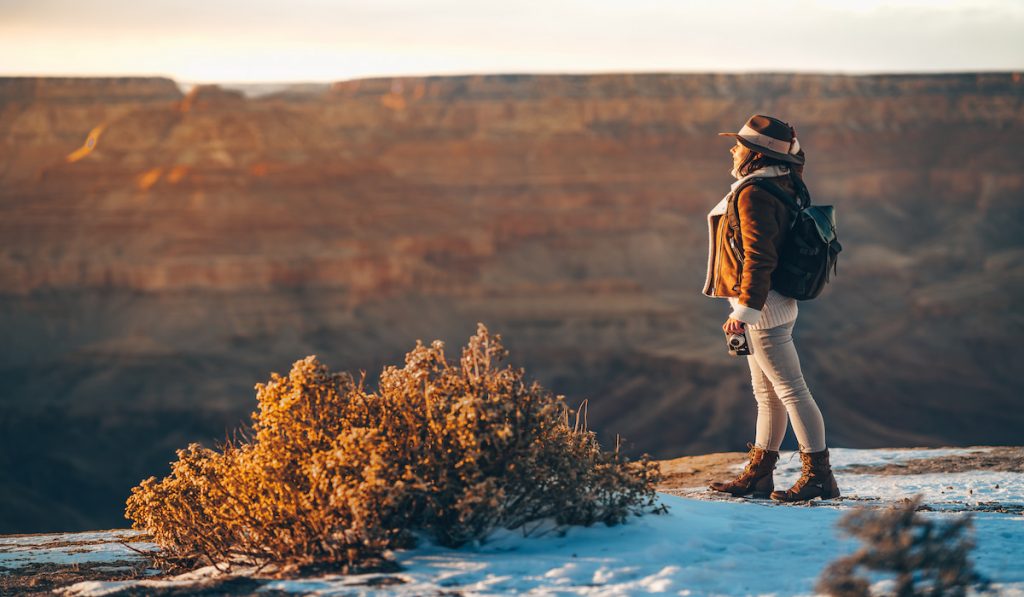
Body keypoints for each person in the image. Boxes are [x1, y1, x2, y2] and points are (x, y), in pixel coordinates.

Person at [702, 114, 840, 502]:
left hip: (764, 310)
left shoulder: (754, 193)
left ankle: (819, 477)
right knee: (768, 394)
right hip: (772, 305)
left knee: (792, 391)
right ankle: (759, 475)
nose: (733, 149)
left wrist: (744, 311)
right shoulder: (781, 182)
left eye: (739, 145)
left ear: (756, 155)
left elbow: (759, 259)